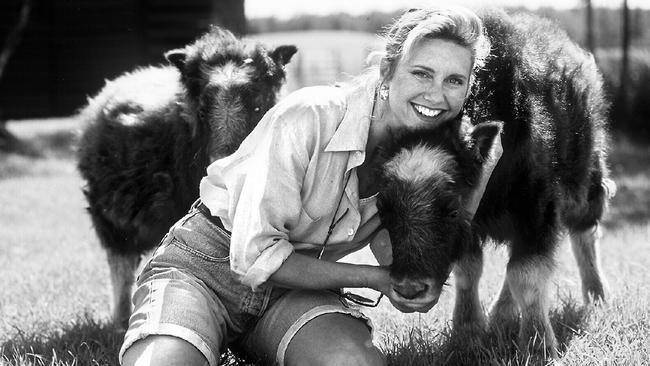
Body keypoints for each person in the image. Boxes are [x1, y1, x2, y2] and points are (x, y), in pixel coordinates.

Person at [120, 6, 497, 366]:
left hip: (298, 288)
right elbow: (254, 256)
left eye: (454, 81)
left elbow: (401, 255)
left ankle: (266, 342)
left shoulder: (428, 155)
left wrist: (418, 278)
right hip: (208, 266)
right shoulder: (312, 114)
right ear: (387, 70)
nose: (436, 95)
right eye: (421, 73)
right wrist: (376, 279)